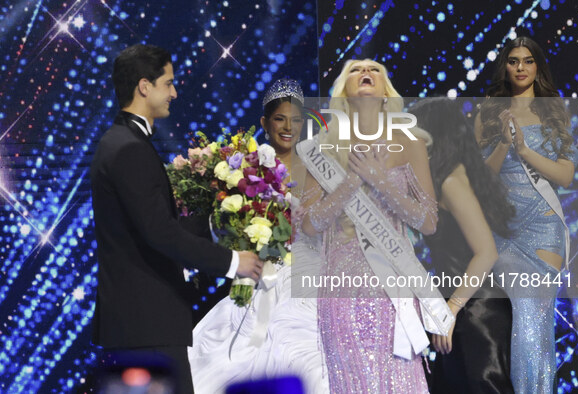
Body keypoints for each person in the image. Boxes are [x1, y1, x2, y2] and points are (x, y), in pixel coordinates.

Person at [90, 44, 263, 394]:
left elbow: (148, 225)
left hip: (141, 325)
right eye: (168, 83)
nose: (174, 92)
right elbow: (159, 233)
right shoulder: (128, 148)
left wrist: (215, 222)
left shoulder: (122, 142)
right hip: (145, 326)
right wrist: (233, 261)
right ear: (144, 87)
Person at [299, 59, 447, 393]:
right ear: (343, 92)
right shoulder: (322, 148)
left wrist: (381, 181)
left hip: (391, 286)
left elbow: (428, 222)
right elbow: (308, 224)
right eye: (355, 69)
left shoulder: (410, 143)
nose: (365, 72)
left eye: (375, 69)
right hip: (341, 288)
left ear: (385, 93)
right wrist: (351, 183)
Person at [188, 79, 329, 394]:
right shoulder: (248, 167)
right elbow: (226, 226)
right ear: (266, 123)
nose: (288, 127)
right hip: (260, 275)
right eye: (280, 119)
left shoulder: (320, 169)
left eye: (295, 119)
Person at [475, 36, 578, 393]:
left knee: (533, 319)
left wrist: (523, 149)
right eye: (513, 60)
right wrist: (504, 142)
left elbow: (565, 175)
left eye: (528, 60)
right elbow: (479, 179)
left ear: (537, 68)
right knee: (513, 320)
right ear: (505, 66)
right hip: (502, 231)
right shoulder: (489, 109)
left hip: (544, 229)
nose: (520, 67)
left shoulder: (553, 109)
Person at [409, 97, 515, 393]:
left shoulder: (452, 182)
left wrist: (451, 310)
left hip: (476, 310)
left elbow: (486, 252)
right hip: (464, 307)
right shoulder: (447, 177)